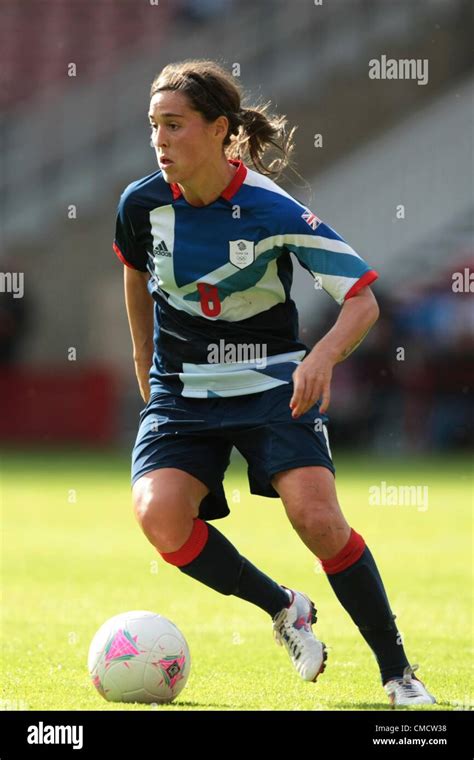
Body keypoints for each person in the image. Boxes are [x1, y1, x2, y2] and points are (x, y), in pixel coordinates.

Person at [113, 59, 436, 707]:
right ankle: (285, 608)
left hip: (271, 385)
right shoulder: (140, 204)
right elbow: (133, 273)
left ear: (218, 129)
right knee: (160, 517)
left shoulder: (270, 208)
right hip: (183, 388)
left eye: (174, 126)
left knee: (317, 519)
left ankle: (399, 674)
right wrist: (146, 361)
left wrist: (321, 359)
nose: (160, 141)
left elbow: (363, 301)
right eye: (154, 127)